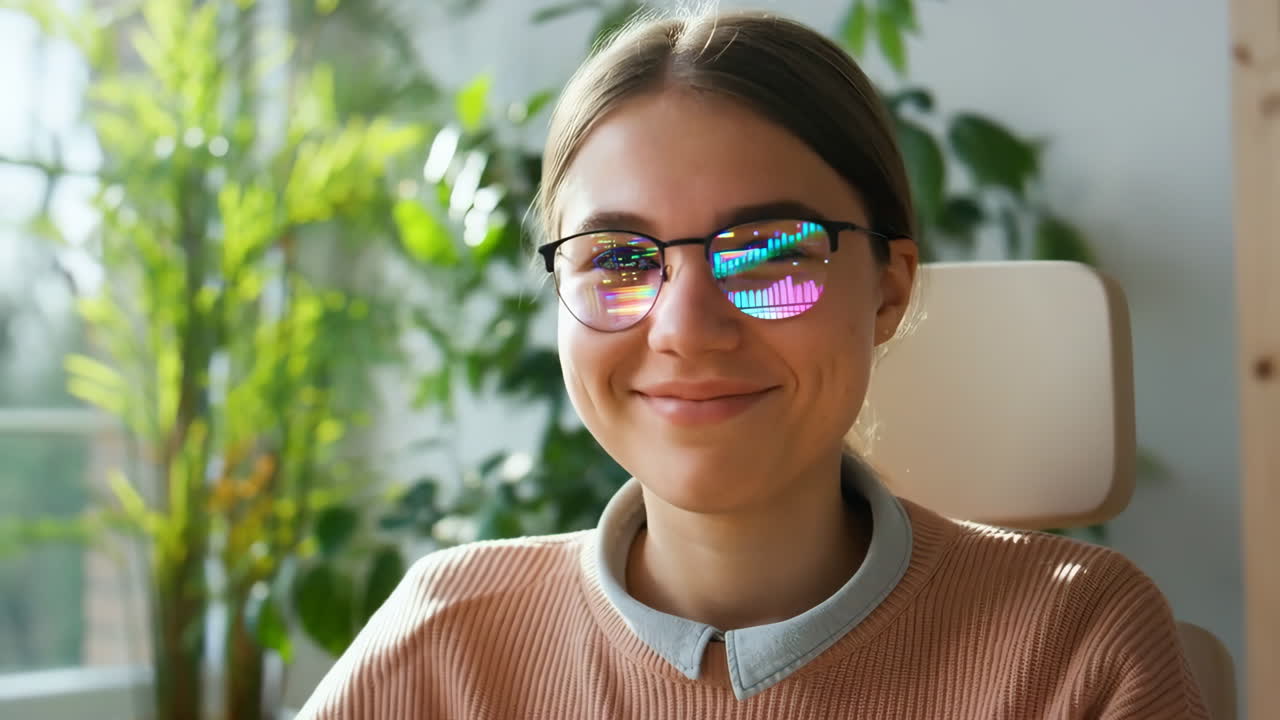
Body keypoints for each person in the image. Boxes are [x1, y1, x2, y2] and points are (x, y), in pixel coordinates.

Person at [297, 8, 1210, 719]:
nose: (687, 328)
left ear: (887, 292)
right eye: (618, 259)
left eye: (771, 254)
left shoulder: (1073, 648)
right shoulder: (448, 644)